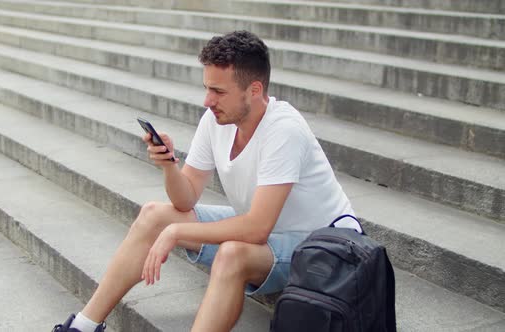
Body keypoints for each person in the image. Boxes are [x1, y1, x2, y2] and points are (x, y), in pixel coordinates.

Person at [52, 30, 354, 332]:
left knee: (232, 253)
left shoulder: (284, 130)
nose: (208, 100)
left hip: (325, 248)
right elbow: (185, 199)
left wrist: (176, 232)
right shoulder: (216, 120)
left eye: (218, 92)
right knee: (154, 215)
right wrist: (170, 165)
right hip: (271, 229)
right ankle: (83, 326)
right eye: (207, 88)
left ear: (254, 89)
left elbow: (257, 228)